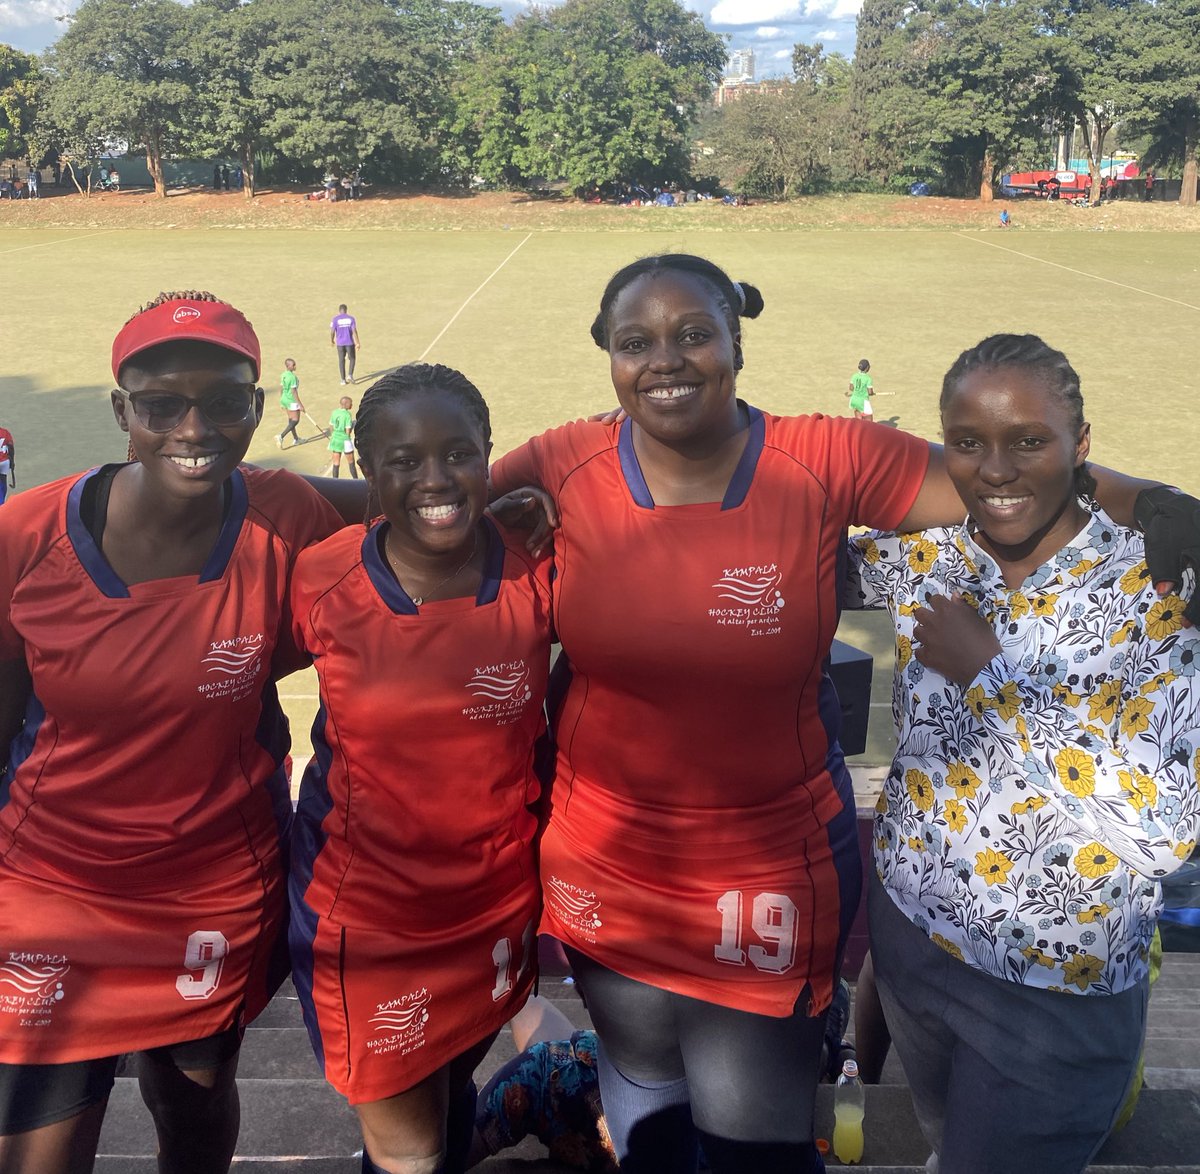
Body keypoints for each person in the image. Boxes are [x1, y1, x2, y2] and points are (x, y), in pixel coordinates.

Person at [488, 253, 1196, 1174]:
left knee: (759, 1144)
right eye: (638, 342)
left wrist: (1156, 502)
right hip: (612, 861)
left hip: (780, 872)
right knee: (646, 1107)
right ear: (608, 356)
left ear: (738, 343)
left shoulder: (826, 457)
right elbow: (429, 519)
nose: (667, 360)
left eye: (695, 334)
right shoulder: (559, 462)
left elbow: (1000, 472)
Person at [0, 291, 344, 1174]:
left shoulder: (284, 514)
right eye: (161, 404)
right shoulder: (26, 536)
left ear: (256, 409)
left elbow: (421, 481)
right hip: (50, 888)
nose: (195, 426)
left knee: (191, 1120)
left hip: (210, 893)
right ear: (122, 412)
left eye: (227, 401)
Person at [844, 333, 1200, 1174]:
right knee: (946, 1142)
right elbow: (778, 559)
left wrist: (992, 679)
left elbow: (1163, 833)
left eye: (1028, 441)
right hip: (910, 948)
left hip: (1049, 997)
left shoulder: (1158, 594)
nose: (995, 470)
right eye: (968, 444)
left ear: (1081, 447)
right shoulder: (930, 556)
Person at [287, 362, 553, 1174]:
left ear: (489, 455)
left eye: (458, 454)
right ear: (367, 469)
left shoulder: (537, 565)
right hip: (369, 920)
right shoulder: (322, 578)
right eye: (403, 460)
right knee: (409, 1151)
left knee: (455, 1093)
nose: (435, 480)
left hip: (495, 900)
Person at [276, 357, 305, 448]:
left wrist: (281, 400)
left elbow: (281, 388)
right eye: (293, 365)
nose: (295, 366)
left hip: (285, 399)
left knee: (290, 419)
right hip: (291, 400)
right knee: (295, 420)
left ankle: (296, 439)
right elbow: (294, 392)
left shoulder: (283, 375)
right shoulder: (293, 377)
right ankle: (281, 436)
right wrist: (300, 405)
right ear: (288, 366)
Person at [327, 394, 357, 478]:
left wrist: (333, 435)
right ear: (346, 404)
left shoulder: (334, 412)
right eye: (351, 403)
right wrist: (353, 425)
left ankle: (334, 482)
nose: (351, 405)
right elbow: (347, 431)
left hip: (335, 439)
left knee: (336, 463)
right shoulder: (347, 415)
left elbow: (331, 426)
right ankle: (356, 480)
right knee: (351, 462)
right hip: (344, 440)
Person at [330, 304, 361, 385]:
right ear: (346, 310)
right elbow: (354, 331)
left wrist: (332, 340)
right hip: (349, 342)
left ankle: (343, 380)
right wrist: (357, 342)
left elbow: (332, 331)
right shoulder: (351, 319)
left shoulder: (335, 319)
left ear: (339, 311)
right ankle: (350, 375)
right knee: (352, 358)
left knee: (341, 360)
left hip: (340, 343)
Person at [0, 425, 13, 505]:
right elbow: (11, 447)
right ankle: (2, 502)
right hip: (5, 462)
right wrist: (12, 462)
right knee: (3, 481)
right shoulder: (5, 432)